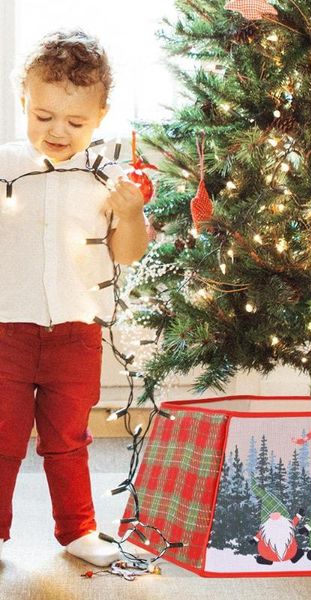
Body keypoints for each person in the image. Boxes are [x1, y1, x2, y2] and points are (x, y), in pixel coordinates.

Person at [0, 29, 149, 567]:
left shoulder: (107, 177)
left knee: (69, 438)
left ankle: (78, 530)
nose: (58, 131)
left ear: (101, 114)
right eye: (43, 117)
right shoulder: (3, 167)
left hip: (76, 333)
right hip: (5, 332)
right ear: (23, 102)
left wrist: (130, 213)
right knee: (1, 439)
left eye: (76, 122)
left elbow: (127, 253)